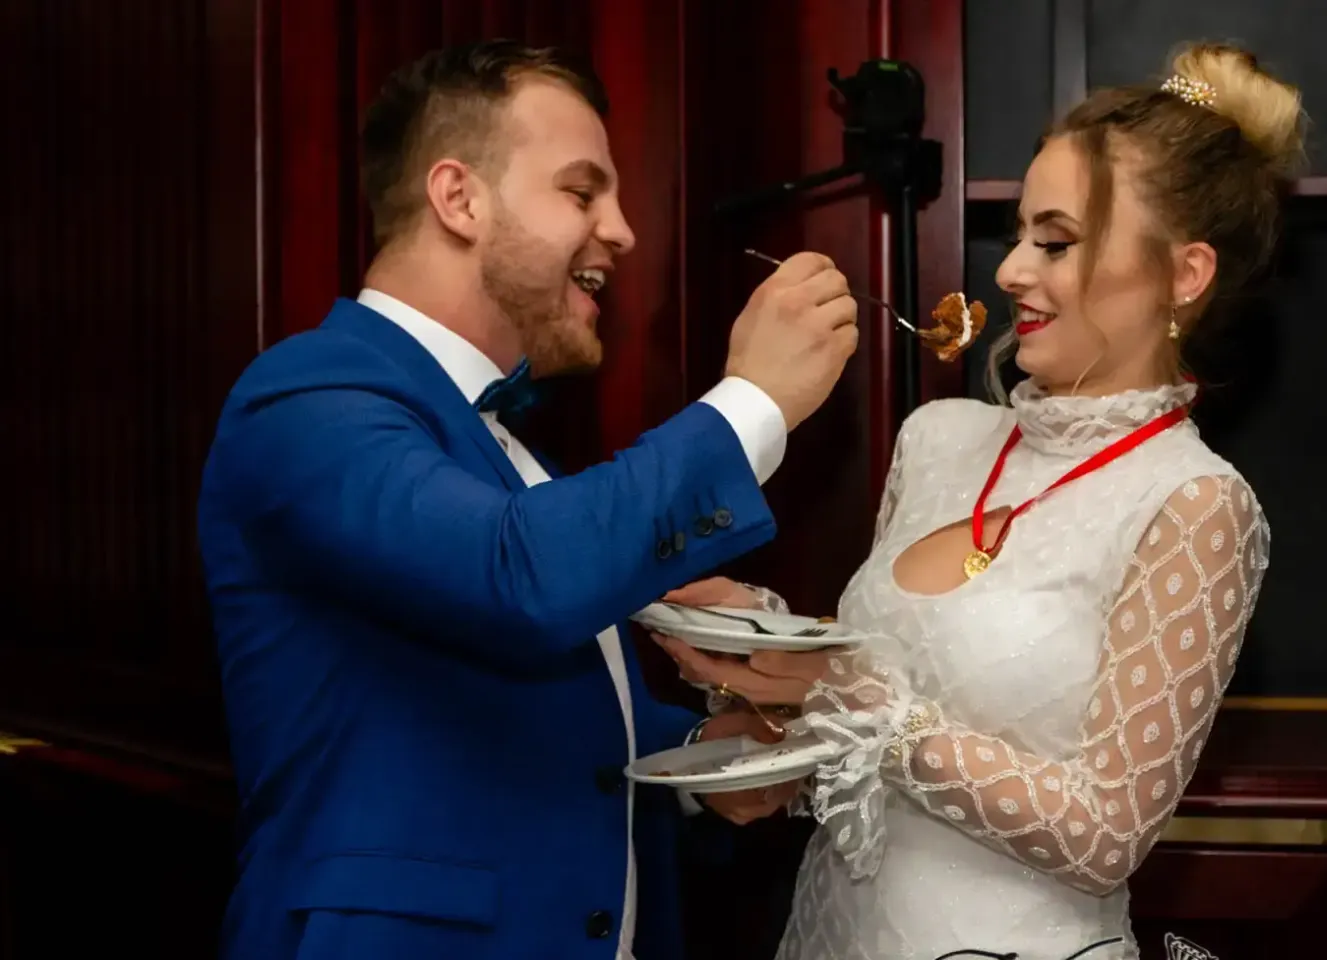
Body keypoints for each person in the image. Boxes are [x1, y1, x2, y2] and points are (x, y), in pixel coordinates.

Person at [196, 40, 857, 960]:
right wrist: (753, 400)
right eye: (583, 192)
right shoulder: (305, 395)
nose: (622, 230)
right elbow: (516, 577)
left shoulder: (506, 439)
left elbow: (513, 715)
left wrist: (709, 758)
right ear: (459, 198)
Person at [655, 42, 1302, 958]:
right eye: (1018, 234)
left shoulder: (1193, 503)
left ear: (1182, 276)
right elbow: (878, 752)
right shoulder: (939, 440)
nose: (1010, 271)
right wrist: (760, 684)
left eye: (1058, 241)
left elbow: (1103, 835)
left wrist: (853, 696)